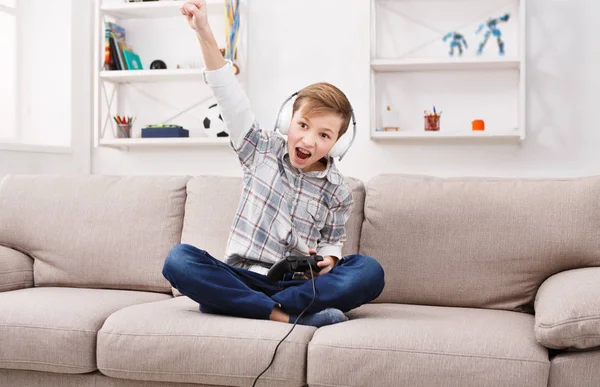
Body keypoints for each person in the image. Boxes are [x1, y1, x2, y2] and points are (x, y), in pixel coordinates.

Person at [162, 0, 385, 328]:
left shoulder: (338, 190)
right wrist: (204, 32)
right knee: (178, 260)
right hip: (242, 275)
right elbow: (229, 96)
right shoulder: (260, 149)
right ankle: (284, 315)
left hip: (297, 284)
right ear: (288, 119)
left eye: (324, 135)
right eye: (304, 126)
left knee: (369, 272)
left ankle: (238, 305)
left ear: (338, 142)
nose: (309, 141)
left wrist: (330, 258)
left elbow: (331, 239)